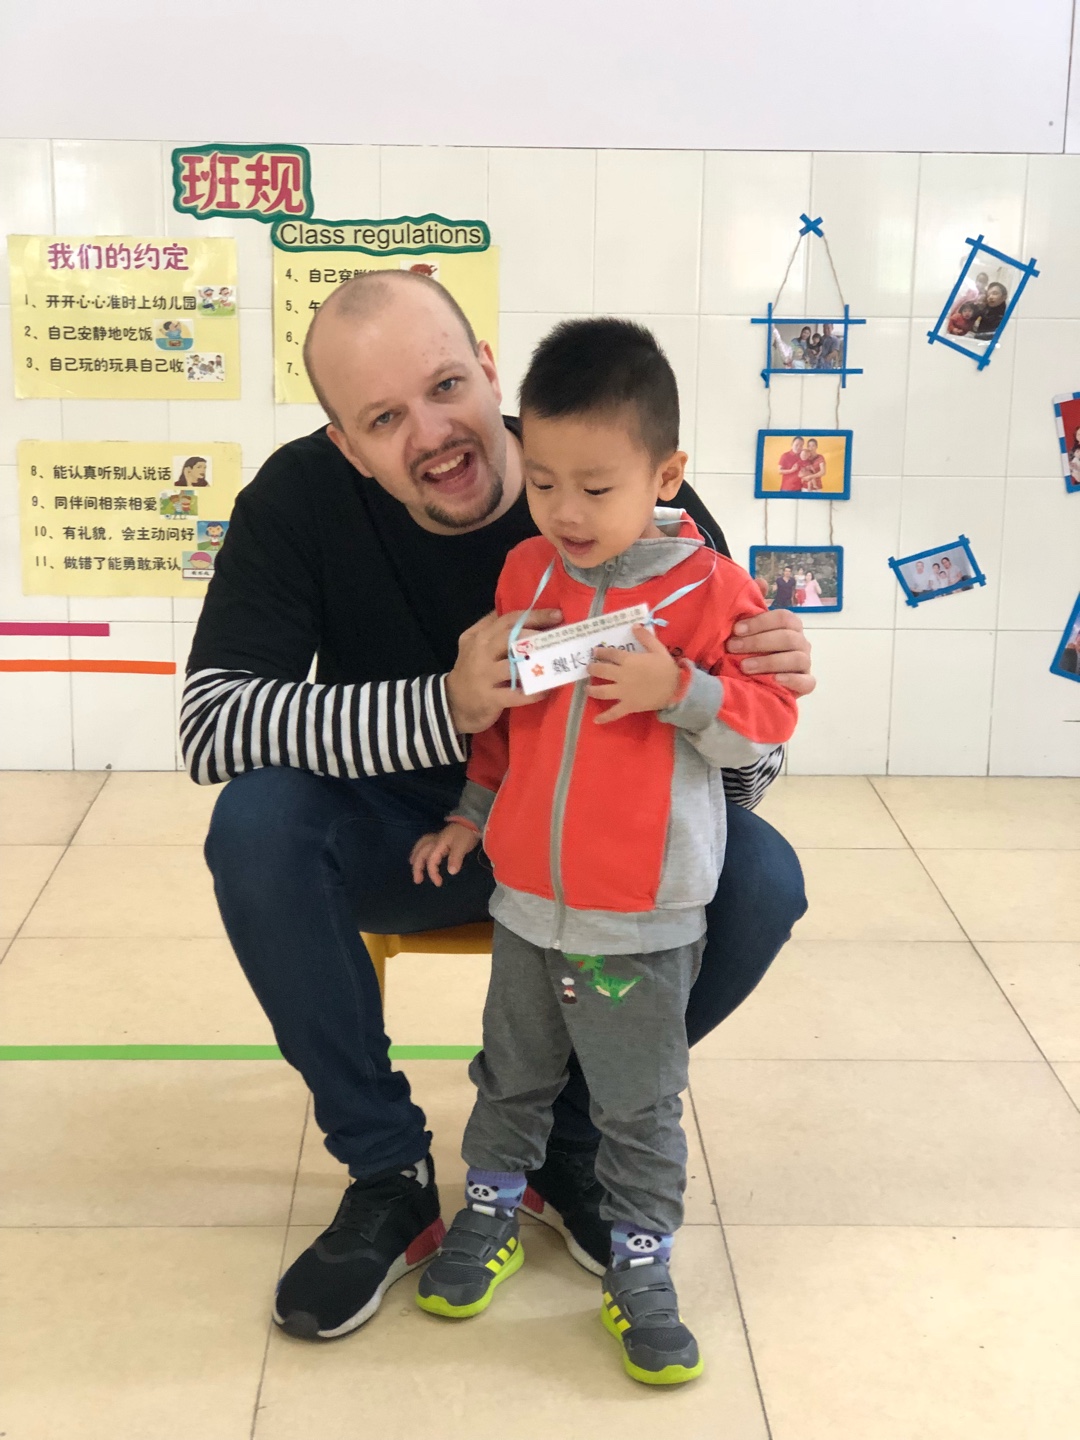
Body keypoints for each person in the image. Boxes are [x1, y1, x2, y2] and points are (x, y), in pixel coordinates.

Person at [183, 270, 814, 1344]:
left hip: (599, 855)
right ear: (346, 444)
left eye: (444, 387)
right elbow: (213, 727)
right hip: (416, 844)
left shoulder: (612, 467)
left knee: (761, 874)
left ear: (488, 369)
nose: (432, 436)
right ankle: (387, 1174)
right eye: (384, 419)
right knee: (256, 823)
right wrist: (445, 705)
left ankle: (567, 1139)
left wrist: (742, 696)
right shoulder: (298, 498)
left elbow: (742, 777)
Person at [407, 319, 798, 1384]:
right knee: (510, 1074)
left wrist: (684, 691)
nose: (565, 513)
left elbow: (767, 722)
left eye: (595, 486)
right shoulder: (526, 571)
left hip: (641, 917)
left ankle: (642, 1266)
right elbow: (503, 722)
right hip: (526, 904)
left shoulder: (713, 592)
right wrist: (471, 815)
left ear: (666, 475)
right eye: (542, 483)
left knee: (636, 1103)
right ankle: (490, 1212)